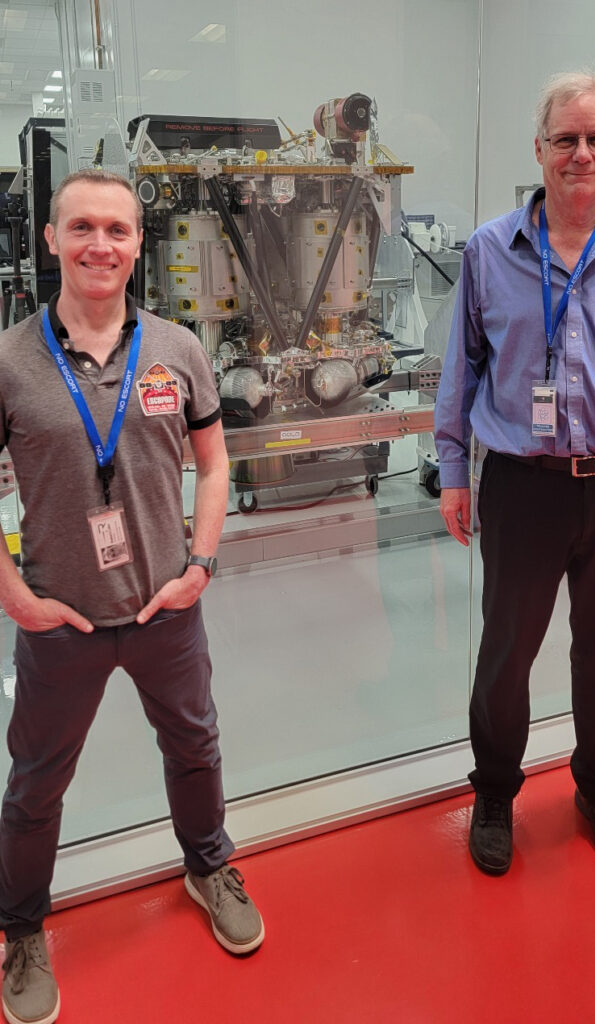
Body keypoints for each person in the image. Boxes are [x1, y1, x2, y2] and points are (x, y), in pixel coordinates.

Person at [0, 169, 263, 1024]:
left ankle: (208, 866)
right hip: (60, 621)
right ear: (51, 239)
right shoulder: (9, 360)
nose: (99, 245)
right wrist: (16, 598)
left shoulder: (177, 349)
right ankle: (21, 927)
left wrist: (200, 565)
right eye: (81, 227)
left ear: (139, 244)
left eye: (116, 229)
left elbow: (215, 463)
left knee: (195, 748)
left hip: (165, 611)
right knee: (36, 783)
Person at [434, 71, 595, 877]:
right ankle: (494, 794)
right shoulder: (488, 250)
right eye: (565, 139)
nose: (581, 154)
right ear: (538, 148)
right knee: (506, 654)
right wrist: (453, 471)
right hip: (521, 485)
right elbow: (461, 369)